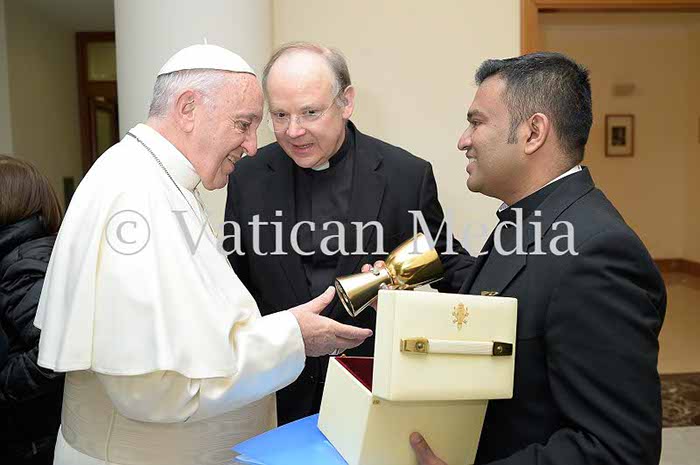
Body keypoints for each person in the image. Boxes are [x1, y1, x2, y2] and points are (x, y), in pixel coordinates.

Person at [33, 44, 371, 465]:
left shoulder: (155, 180)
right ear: (188, 108)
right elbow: (157, 389)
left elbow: (200, 335)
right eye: (244, 124)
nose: (253, 146)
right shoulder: (135, 197)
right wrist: (293, 337)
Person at [404, 53, 666, 465]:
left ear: (533, 132)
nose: (463, 140)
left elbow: (618, 450)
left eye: (476, 122)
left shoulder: (597, 254)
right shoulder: (531, 218)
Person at [225, 42, 474, 425]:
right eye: (280, 115)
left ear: (346, 102)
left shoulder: (405, 176)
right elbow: (236, 285)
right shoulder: (248, 176)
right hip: (274, 395)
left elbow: (447, 266)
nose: (293, 131)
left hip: (371, 395)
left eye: (310, 112)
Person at [0, 155, 65, 464]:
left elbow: (53, 349)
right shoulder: (39, 251)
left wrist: (4, 385)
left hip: (33, 442)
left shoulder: (21, 263)